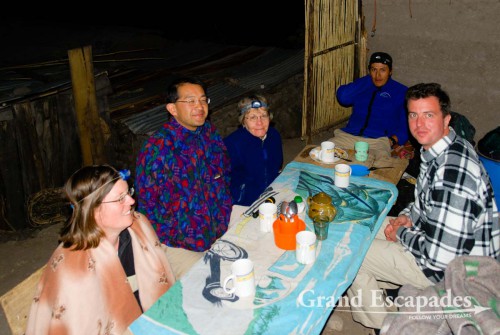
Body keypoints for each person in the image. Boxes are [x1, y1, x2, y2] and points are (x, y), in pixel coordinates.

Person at [346, 83, 499, 331]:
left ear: (446, 119)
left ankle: (386, 325)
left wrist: (401, 234)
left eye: (429, 115)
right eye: (413, 115)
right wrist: (406, 218)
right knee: (362, 225)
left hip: (457, 272)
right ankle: (383, 302)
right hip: (437, 242)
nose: (420, 124)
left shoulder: (453, 172)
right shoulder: (438, 148)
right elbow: (423, 203)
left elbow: (441, 259)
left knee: (352, 252)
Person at [25, 165, 175, 335]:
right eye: (120, 198)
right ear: (93, 211)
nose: (131, 201)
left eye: (129, 192)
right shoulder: (75, 267)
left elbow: (160, 256)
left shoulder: (137, 226)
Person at [135, 77, 232, 278]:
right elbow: (146, 206)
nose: (199, 106)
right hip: (179, 243)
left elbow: (223, 175)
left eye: (203, 100)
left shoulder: (209, 132)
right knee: (208, 287)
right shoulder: (157, 148)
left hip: (218, 227)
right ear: (172, 109)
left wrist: (223, 211)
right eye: (190, 101)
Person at [334, 52, 410, 160]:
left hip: (377, 141)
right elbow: (343, 97)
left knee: (378, 167)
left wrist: (392, 141)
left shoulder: (401, 92)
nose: (378, 75)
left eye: (383, 70)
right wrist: (367, 80)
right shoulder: (364, 85)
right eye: (374, 69)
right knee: (326, 153)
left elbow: (407, 124)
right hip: (349, 136)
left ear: (390, 71)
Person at [223, 94, 283, 206]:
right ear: (243, 121)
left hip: (272, 194)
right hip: (245, 202)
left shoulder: (274, 135)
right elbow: (222, 182)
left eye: (264, 116)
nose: (259, 122)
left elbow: (277, 166)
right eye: (253, 117)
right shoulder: (231, 144)